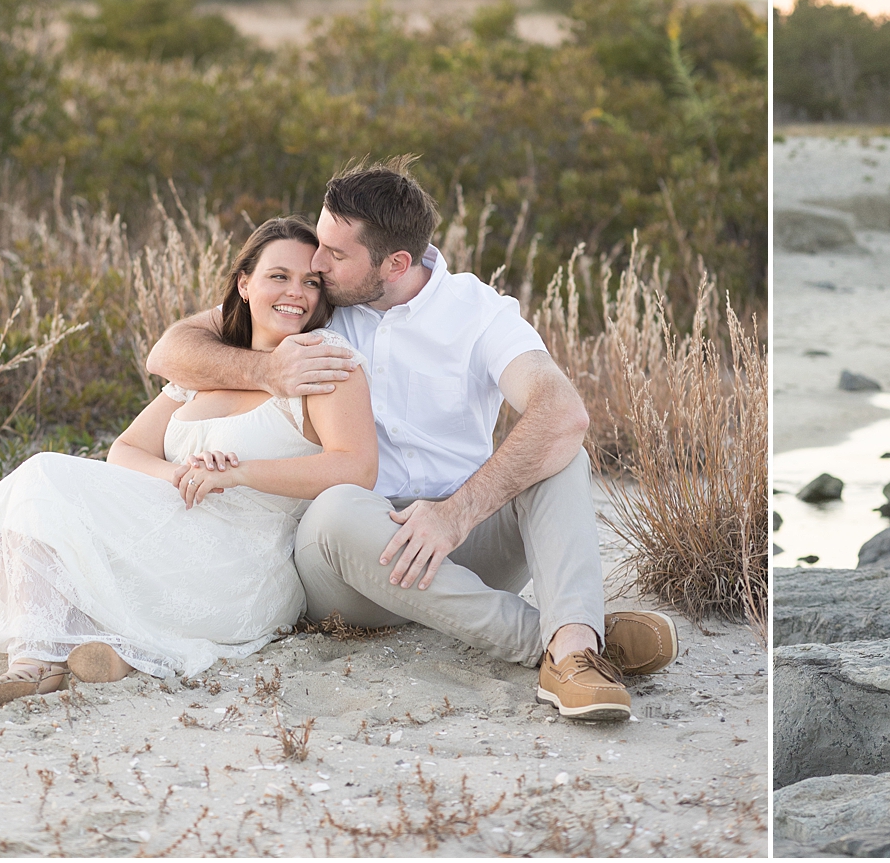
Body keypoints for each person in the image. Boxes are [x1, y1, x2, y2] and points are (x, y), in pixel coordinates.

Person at [146, 160, 677, 724]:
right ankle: (569, 645)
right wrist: (267, 371)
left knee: (563, 454)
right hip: (349, 558)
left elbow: (563, 411)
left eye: (335, 254)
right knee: (337, 508)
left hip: (459, 541)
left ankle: (570, 649)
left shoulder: (479, 313)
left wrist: (455, 515)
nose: (316, 264)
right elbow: (170, 350)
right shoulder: (318, 304)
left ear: (396, 263)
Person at [0, 216, 378, 712]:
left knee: (45, 482)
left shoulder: (324, 362)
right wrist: (180, 473)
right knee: (12, 515)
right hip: (171, 523)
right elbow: (124, 450)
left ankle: (47, 655)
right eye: (278, 276)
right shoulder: (210, 366)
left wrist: (237, 474)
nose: (295, 292)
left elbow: (356, 468)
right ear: (243, 284)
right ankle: (66, 654)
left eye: (310, 282)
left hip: (243, 559)